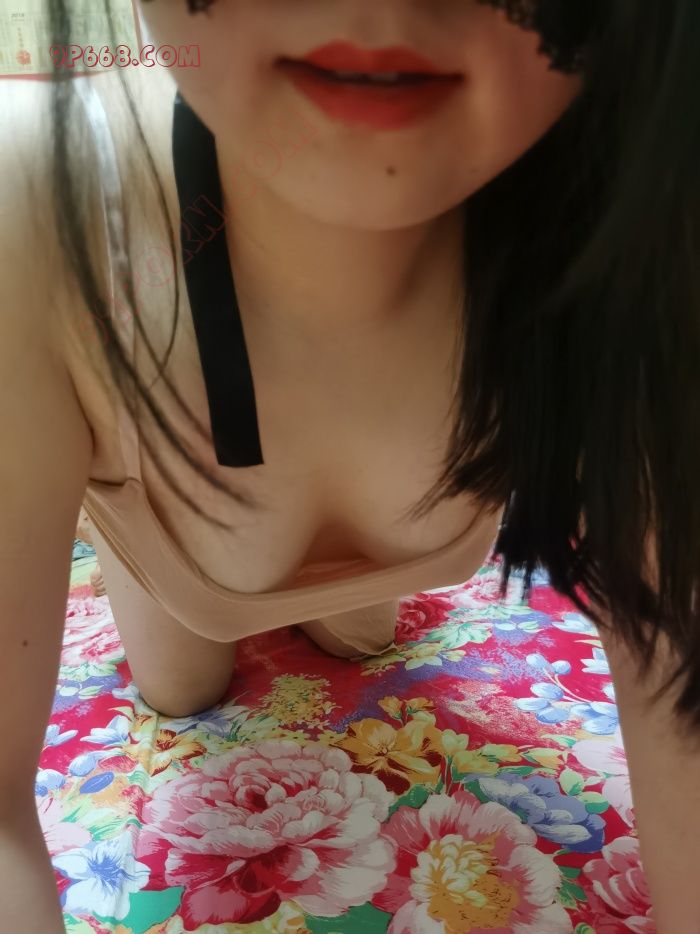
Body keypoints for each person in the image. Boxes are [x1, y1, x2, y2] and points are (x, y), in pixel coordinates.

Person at [1, 0, 698, 930]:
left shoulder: (642, 209)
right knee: (182, 689)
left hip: (391, 547)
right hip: (174, 531)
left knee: (359, 639)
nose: (380, 9)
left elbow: (683, 700)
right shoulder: (35, 200)